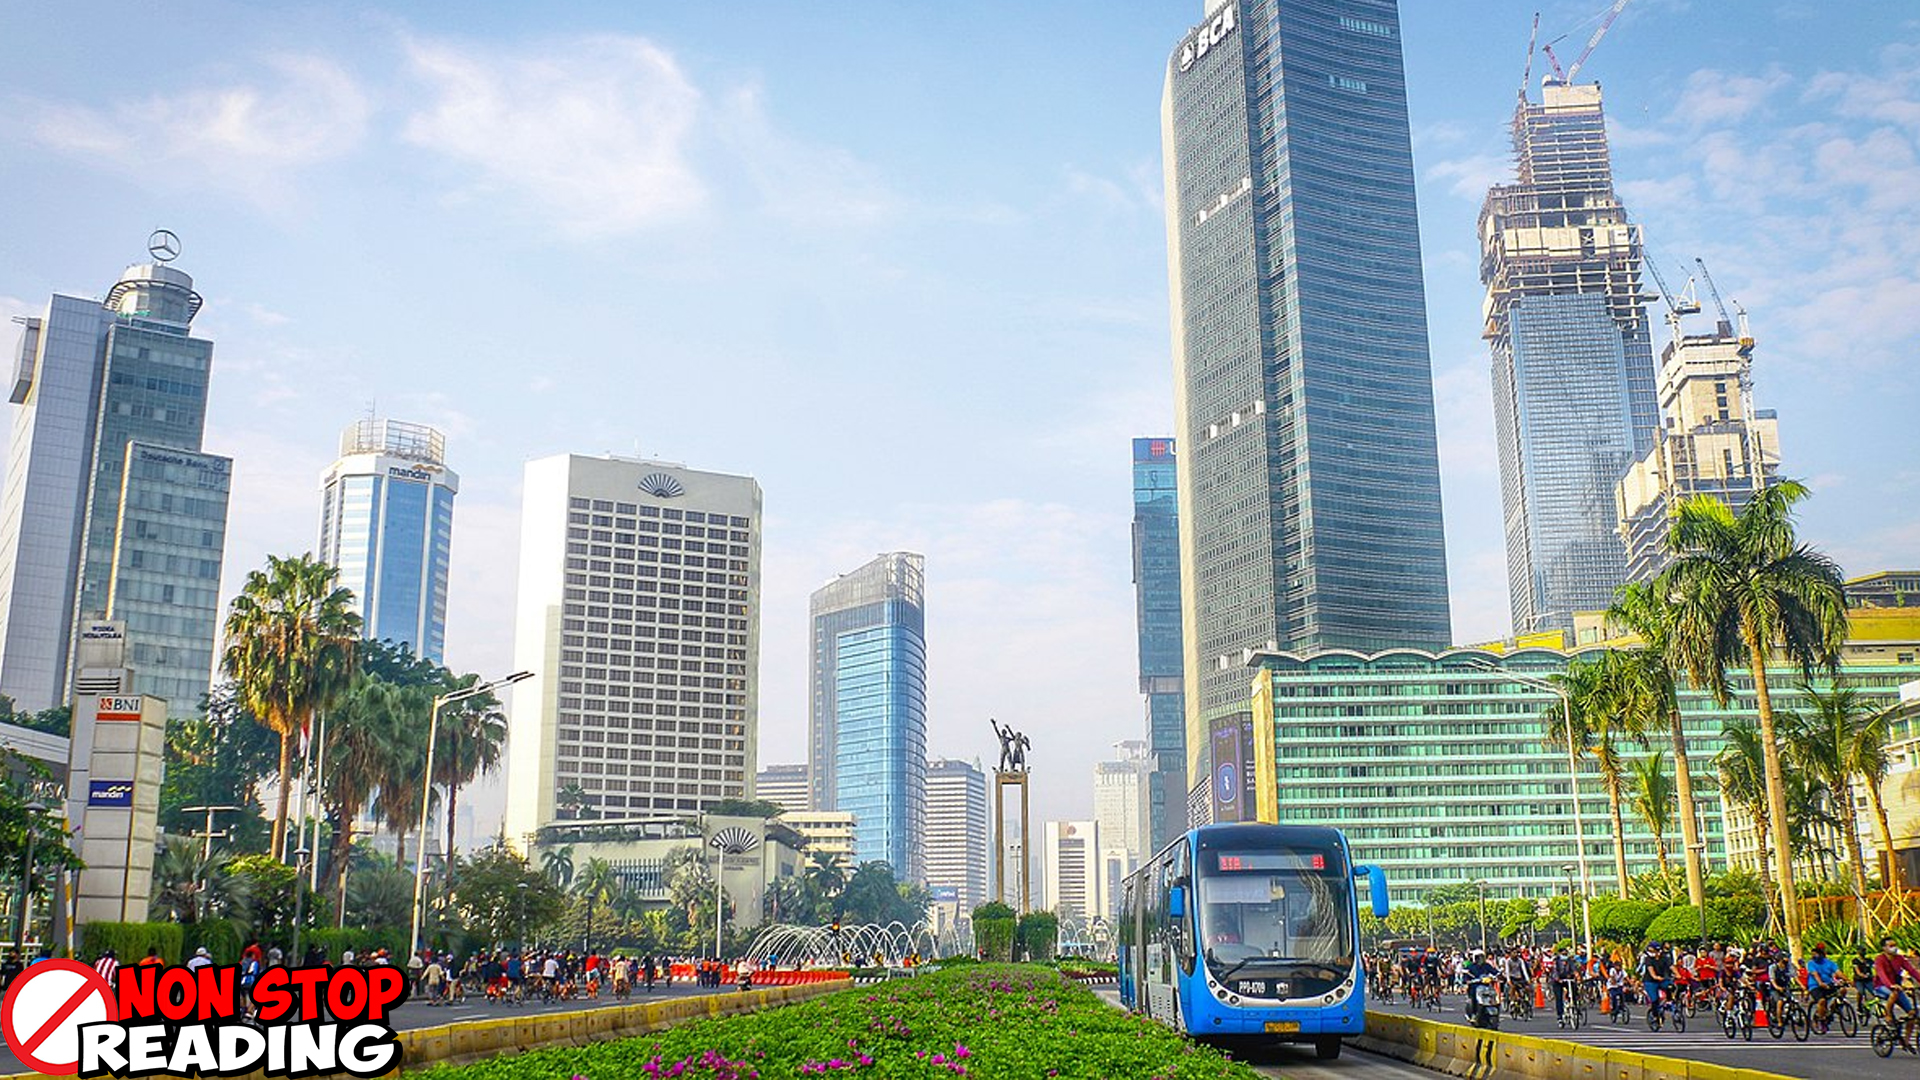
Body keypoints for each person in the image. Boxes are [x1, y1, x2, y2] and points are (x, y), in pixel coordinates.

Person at [1873, 938, 1920, 1021]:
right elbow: (1881, 974)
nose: (1894, 948)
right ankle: (1888, 1015)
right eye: (1891, 946)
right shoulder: (1879, 959)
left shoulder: (1900, 958)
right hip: (1881, 986)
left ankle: (1908, 1030)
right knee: (1894, 993)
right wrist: (1890, 985)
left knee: (1912, 1014)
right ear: (1884, 948)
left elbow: (1912, 970)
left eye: (1895, 945)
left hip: (1897, 987)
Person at [1805, 944, 1841, 1031]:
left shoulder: (1829, 963)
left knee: (1841, 991)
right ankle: (1821, 1019)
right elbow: (1815, 974)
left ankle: (1834, 1008)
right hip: (1815, 986)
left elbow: (1838, 972)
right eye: (1812, 954)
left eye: (1816, 954)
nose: (1814, 956)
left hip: (1828, 984)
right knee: (1822, 1001)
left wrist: (1848, 980)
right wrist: (1820, 983)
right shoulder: (1810, 963)